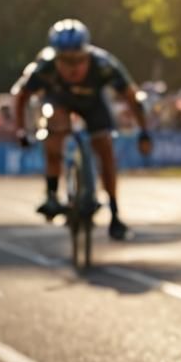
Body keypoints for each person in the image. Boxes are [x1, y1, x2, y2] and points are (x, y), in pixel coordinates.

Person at [12, 19, 152, 241]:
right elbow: (20, 97)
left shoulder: (104, 64)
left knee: (105, 148)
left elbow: (132, 97)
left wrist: (144, 132)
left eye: (78, 60)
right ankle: (51, 194)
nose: (72, 67)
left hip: (93, 104)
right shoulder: (44, 65)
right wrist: (20, 131)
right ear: (55, 57)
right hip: (58, 102)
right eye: (65, 61)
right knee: (54, 124)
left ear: (88, 54)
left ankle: (115, 214)